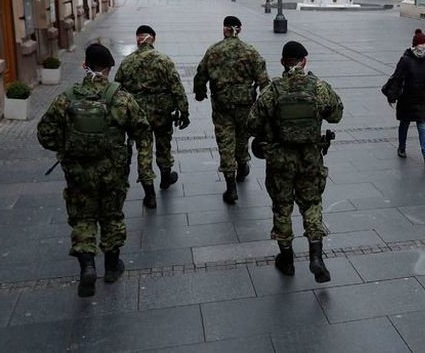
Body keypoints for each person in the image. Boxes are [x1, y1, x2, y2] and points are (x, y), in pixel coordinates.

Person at [37, 43, 153, 297]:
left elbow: (44, 134)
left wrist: (67, 147)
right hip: (112, 170)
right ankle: (112, 267)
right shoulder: (121, 98)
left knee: (83, 218)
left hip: (78, 172)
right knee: (111, 216)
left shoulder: (67, 98)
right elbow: (143, 131)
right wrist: (144, 168)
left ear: (84, 66)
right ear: (109, 68)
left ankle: (87, 267)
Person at [248, 41, 343, 282]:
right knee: (312, 204)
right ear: (304, 61)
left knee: (282, 208)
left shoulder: (272, 90)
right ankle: (316, 258)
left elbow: (253, 123)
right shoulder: (318, 87)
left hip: (280, 161)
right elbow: (336, 114)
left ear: (282, 62)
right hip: (310, 159)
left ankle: (287, 260)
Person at [194, 16, 270, 204]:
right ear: (239, 30)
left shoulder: (213, 51)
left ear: (224, 29)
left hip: (222, 106)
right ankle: (243, 165)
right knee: (243, 136)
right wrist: (264, 104)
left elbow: (200, 75)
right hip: (245, 104)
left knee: (225, 141)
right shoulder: (250, 51)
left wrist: (200, 92)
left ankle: (230, 187)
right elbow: (264, 81)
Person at [115, 25, 189, 209]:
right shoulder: (163, 60)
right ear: (153, 39)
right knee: (164, 146)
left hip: (138, 116)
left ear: (137, 39)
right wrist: (184, 111)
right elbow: (176, 88)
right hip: (162, 114)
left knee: (144, 150)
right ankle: (165, 178)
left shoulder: (127, 62)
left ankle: (150, 194)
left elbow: (117, 90)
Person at [383, 29, 425, 166]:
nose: (423, 48)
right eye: (420, 45)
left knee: (423, 127)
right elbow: (397, 78)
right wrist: (392, 96)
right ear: (414, 46)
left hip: (421, 100)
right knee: (404, 124)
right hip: (407, 99)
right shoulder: (405, 60)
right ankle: (401, 147)